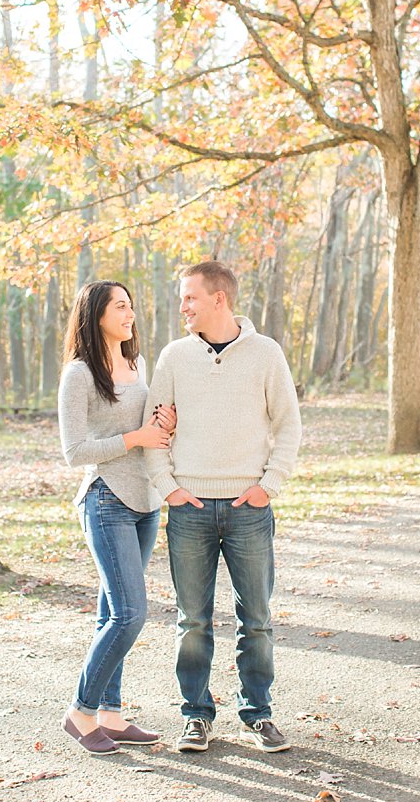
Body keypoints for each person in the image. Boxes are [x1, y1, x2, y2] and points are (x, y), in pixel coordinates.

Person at [144, 260, 301, 753]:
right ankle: (196, 714)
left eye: (190, 297)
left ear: (220, 299)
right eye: (181, 298)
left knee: (256, 617)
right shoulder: (173, 356)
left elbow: (289, 425)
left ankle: (258, 713)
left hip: (248, 508)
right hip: (188, 508)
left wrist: (268, 485)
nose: (183, 307)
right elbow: (154, 428)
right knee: (192, 620)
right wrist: (168, 487)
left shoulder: (265, 353)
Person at [58, 280, 176, 755]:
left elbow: (146, 427)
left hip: (146, 501)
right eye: (120, 306)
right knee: (130, 614)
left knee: (111, 612)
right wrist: (137, 438)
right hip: (106, 499)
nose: (130, 313)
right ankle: (80, 712)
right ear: (96, 315)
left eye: (131, 305)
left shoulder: (136, 362)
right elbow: (74, 451)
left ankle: (110, 714)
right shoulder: (79, 374)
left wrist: (162, 426)